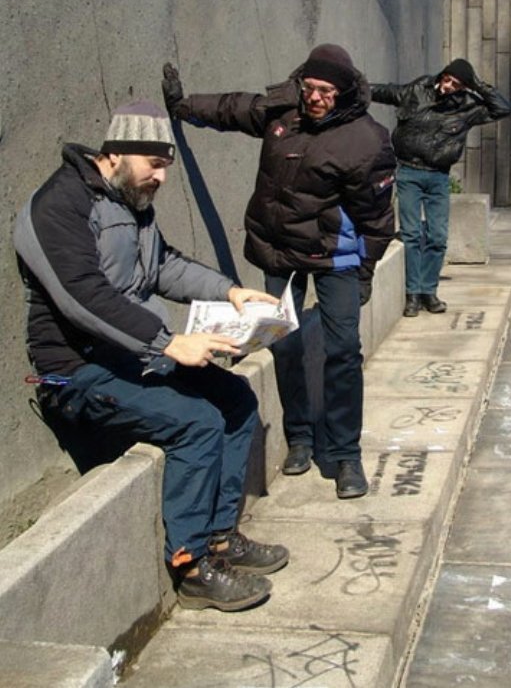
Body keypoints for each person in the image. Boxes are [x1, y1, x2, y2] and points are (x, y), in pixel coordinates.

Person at [14, 100, 289, 613]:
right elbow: (81, 296)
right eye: (155, 164)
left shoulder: (131, 200)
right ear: (116, 153)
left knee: (236, 398)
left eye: (165, 166)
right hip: (78, 371)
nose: (161, 177)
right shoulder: (58, 205)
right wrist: (167, 342)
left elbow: (162, 266)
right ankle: (191, 567)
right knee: (198, 423)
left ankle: (220, 538)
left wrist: (229, 292)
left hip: (130, 355)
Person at [162, 44, 396, 499]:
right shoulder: (284, 111)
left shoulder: (366, 140)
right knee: (284, 346)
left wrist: (366, 271)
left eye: (326, 91)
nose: (315, 98)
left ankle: (345, 455)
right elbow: (234, 109)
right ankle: (300, 437)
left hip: (336, 257)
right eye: (310, 87)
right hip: (281, 253)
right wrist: (183, 106)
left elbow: (377, 217)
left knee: (343, 352)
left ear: (344, 91)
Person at [370, 59, 511, 318]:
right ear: (441, 76)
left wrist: (477, 85)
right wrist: (351, 88)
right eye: (447, 79)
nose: (448, 86)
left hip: (438, 176)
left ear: (464, 87)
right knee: (412, 235)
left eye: (456, 84)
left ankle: (428, 291)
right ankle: (412, 294)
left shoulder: (467, 106)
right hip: (409, 172)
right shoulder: (418, 90)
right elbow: (384, 91)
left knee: (437, 237)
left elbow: (502, 108)